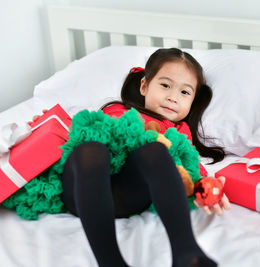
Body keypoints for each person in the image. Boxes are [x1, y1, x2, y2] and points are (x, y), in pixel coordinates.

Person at [31, 48, 230, 267]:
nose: (173, 97)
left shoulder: (179, 130)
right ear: (144, 86)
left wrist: (206, 184)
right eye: (165, 85)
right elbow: (84, 134)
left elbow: (188, 161)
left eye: (185, 93)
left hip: (127, 195)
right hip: (82, 190)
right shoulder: (117, 110)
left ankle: (188, 255)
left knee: (155, 150)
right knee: (90, 148)